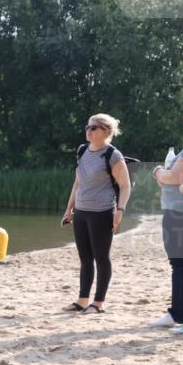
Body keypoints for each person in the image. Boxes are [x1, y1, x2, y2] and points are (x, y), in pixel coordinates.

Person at [60, 113, 132, 315]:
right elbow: (77, 182)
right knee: (85, 258)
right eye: (87, 126)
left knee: (101, 257)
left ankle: (99, 303)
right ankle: (82, 301)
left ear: (105, 131)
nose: (88, 130)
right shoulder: (82, 151)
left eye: (93, 128)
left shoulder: (112, 155)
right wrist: (69, 209)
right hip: (81, 211)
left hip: (102, 213)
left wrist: (120, 211)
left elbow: (125, 186)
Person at [148, 104, 183, 329]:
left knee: (180, 263)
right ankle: (181, 313)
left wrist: (158, 171)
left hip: (180, 212)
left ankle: (179, 315)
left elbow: (176, 177)